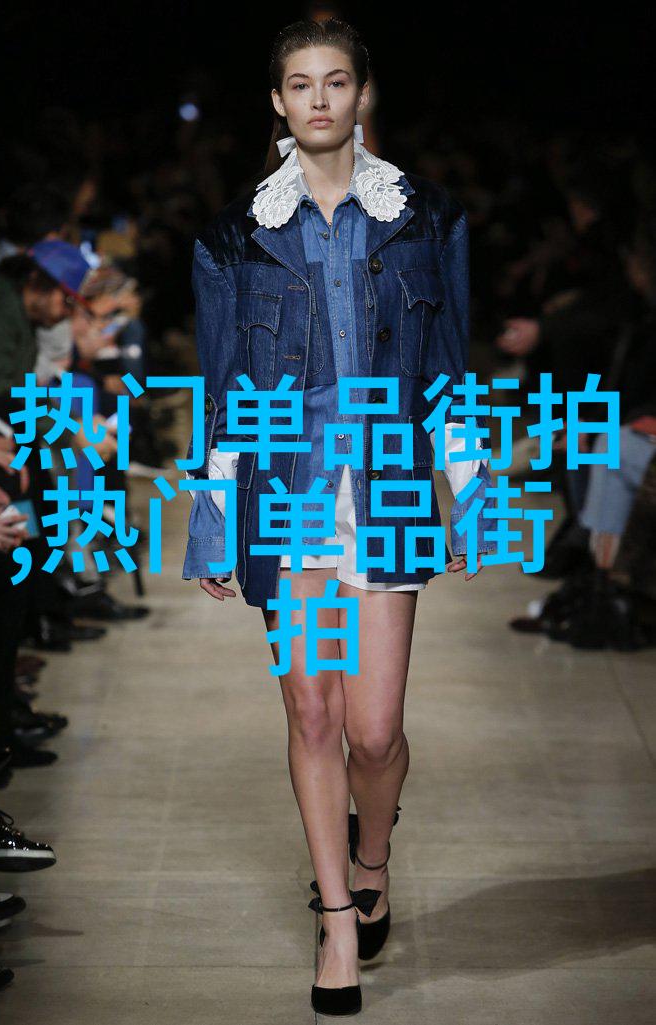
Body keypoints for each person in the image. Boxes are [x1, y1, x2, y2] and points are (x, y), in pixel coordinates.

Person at [182, 18, 495, 1016]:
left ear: (362, 93)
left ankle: (373, 853)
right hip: (287, 497)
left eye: (334, 81)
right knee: (312, 713)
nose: (317, 98)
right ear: (276, 102)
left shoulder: (425, 218)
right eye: (298, 83)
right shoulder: (235, 234)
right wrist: (210, 519)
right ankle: (334, 923)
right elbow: (226, 388)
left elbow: (447, 368)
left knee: (374, 730)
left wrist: (472, 492)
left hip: (386, 488)